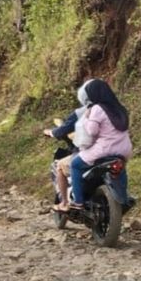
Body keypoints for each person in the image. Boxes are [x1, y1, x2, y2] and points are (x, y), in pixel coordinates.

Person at [67, 79, 132, 210]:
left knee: (75, 165)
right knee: (120, 169)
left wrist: (87, 118)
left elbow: (92, 131)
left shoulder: (97, 108)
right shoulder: (119, 107)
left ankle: (78, 201)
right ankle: (124, 199)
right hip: (124, 148)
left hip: (105, 149)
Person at [45, 79, 94, 212]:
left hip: (91, 152)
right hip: (115, 151)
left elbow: (63, 129)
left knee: (62, 166)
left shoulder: (82, 112)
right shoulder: (112, 110)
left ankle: (66, 202)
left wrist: (51, 132)